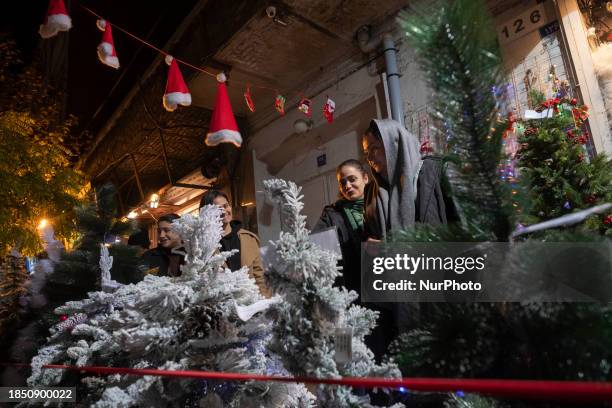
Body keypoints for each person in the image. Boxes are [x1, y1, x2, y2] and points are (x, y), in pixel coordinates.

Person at [362, 118, 457, 239]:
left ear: (394, 144)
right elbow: (367, 237)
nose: (369, 157)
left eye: (374, 148)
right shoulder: (370, 192)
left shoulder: (435, 172)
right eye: (366, 152)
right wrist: (371, 248)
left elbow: (462, 228)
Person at [199, 190, 270, 297]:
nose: (224, 211)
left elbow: (259, 275)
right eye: (218, 209)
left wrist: (265, 302)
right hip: (220, 305)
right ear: (206, 212)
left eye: (226, 206)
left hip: (251, 301)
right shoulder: (202, 244)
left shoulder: (249, 238)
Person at [313, 159, 369, 293]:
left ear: (365, 178)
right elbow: (314, 242)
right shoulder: (332, 213)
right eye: (342, 182)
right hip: (353, 288)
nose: (347, 186)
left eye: (352, 179)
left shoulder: (381, 204)